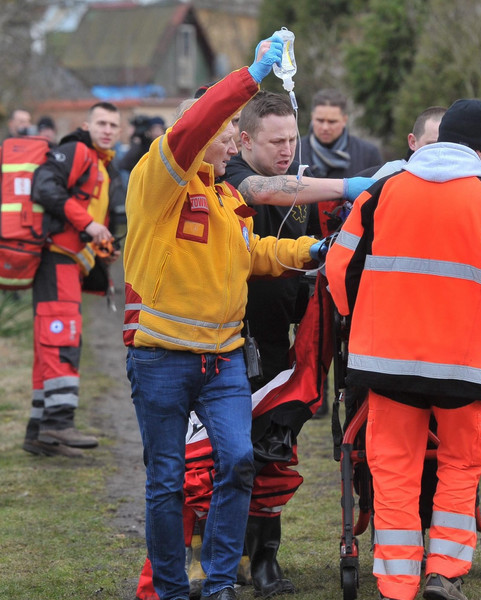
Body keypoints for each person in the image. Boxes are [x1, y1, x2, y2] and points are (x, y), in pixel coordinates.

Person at [122, 33, 324, 600]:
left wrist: (309, 251)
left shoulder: (224, 198)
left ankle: (217, 584)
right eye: (228, 128)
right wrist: (251, 74)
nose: (235, 136)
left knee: (237, 462)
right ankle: (168, 588)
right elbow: (195, 123)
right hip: (162, 358)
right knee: (167, 481)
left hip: (223, 360)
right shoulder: (158, 179)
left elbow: (252, 253)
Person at [325, 99, 481, 600]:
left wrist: (362, 319)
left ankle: (397, 584)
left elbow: (337, 269)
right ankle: (444, 573)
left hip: (385, 362)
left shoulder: (383, 192)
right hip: (466, 366)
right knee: (462, 462)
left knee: (393, 466)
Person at [217, 89, 371, 596]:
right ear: (244, 140)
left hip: (281, 341)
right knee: (234, 451)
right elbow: (271, 189)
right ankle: (229, 552)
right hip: (231, 340)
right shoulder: (234, 179)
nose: (288, 149)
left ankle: (265, 554)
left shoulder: (297, 177)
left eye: (292, 139)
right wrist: (348, 183)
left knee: (276, 448)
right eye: (275, 140)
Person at [21, 102, 123, 458]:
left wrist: (103, 248)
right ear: (87, 124)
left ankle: (39, 431)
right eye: (101, 122)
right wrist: (88, 224)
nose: (108, 129)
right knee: (60, 338)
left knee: (51, 340)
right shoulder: (76, 151)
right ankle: (59, 423)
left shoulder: (103, 166)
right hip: (55, 260)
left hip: (70, 263)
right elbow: (43, 187)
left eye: (113, 124)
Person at [287, 89, 383, 236]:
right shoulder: (294, 151)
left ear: (344, 120)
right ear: (312, 117)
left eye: (332, 122)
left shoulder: (367, 153)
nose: (325, 127)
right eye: (320, 120)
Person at [358, 106, 446, 179]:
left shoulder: (458, 179)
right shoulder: (388, 175)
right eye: (431, 145)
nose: (439, 153)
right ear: (412, 142)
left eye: (448, 146)